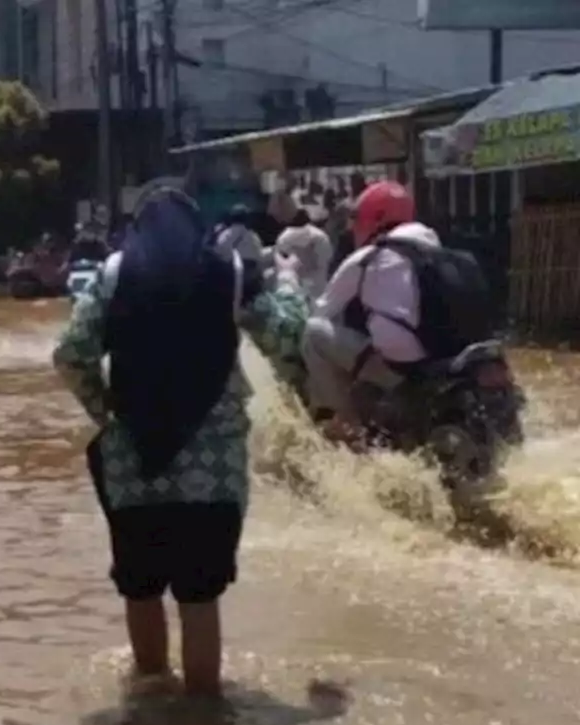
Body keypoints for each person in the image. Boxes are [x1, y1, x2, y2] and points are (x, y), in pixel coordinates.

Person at [53, 185, 296, 698]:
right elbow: (286, 338)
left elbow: (71, 353)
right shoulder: (229, 274)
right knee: (199, 596)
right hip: (213, 468)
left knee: (140, 588)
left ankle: (152, 702)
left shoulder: (114, 274)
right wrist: (290, 284)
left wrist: (108, 411)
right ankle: (206, 717)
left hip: (133, 462)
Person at [300, 181, 438, 441]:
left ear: (375, 217)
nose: (353, 228)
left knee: (313, 333)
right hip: (445, 364)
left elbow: (322, 313)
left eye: (357, 219)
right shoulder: (438, 250)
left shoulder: (368, 257)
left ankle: (347, 427)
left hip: (401, 371)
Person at [275, 209, 334, 299]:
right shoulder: (321, 237)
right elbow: (326, 259)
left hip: (292, 288)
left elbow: (280, 258)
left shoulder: (284, 236)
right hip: (316, 288)